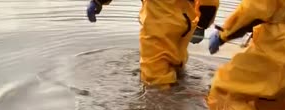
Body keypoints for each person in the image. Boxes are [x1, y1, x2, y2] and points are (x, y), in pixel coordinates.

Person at [86, 0, 219, 90]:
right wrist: (202, 24)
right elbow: (209, 2)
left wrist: (97, 1)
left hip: (158, 25)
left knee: (154, 76)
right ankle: (179, 88)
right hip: (186, 23)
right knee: (175, 61)